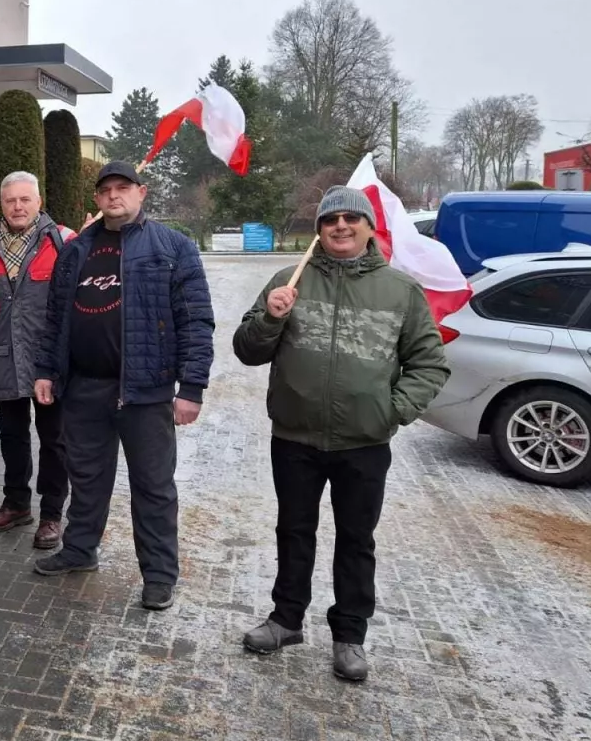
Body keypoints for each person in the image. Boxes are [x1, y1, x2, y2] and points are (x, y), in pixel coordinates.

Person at [233, 186, 450, 682]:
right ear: (319, 230)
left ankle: (350, 636)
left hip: (364, 444)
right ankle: (286, 619)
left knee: (356, 539)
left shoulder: (399, 291)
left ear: (370, 228)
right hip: (294, 437)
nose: (341, 226)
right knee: (293, 531)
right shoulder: (289, 279)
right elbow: (247, 350)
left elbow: (430, 364)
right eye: (331, 219)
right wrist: (272, 316)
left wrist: (390, 412)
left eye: (353, 218)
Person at [32, 161, 215, 611]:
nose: (114, 196)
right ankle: (79, 550)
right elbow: (54, 318)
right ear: (96, 199)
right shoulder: (76, 251)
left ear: (141, 193)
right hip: (84, 389)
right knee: (87, 479)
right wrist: (45, 370)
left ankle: (158, 574)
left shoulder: (173, 248)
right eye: (106, 190)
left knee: (153, 486)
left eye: (123, 188)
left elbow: (196, 321)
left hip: (146, 391)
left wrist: (191, 387)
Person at [0, 171, 75, 549]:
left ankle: (51, 514)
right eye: (11, 200)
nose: (18, 206)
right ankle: (16, 503)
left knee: (54, 439)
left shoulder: (62, 242)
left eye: (25, 199)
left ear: (39, 202)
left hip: (48, 364)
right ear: (1, 204)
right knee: (11, 436)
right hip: (3, 360)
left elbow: (74, 308)